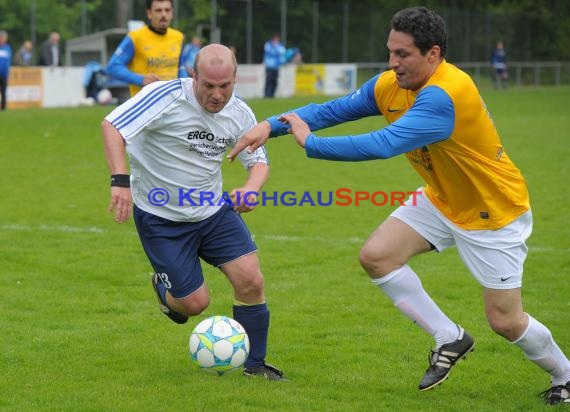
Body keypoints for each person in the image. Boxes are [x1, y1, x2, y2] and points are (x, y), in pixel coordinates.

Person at [228, 6, 570, 404]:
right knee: (377, 256)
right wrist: (270, 126)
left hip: (491, 212)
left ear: (433, 53)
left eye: (402, 54)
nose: (392, 63)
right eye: (390, 52)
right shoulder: (390, 84)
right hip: (442, 197)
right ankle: (450, 336)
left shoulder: (445, 94)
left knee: (505, 320)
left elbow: (384, 143)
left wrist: (312, 144)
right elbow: (330, 110)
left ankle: (565, 375)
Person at [102, 44, 285, 381]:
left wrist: (251, 188)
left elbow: (258, 161)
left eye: (225, 86)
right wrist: (120, 181)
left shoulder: (240, 113)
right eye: (209, 86)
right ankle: (164, 289)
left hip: (213, 212)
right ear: (193, 75)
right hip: (161, 219)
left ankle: (255, 365)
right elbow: (112, 126)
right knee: (193, 305)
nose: (217, 95)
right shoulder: (164, 96)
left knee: (251, 279)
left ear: (234, 79)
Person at [106, 0, 185, 97]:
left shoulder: (178, 37)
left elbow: (180, 67)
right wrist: (141, 79)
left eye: (167, 10)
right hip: (144, 105)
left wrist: (184, 88)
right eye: (158, 10)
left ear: (172, 13)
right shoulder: (135, 38)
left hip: (173, 102)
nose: (163, 14)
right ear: (149, 13)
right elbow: (113, 67)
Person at [263, 33, 285, 98]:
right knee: (268, 81)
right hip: (269, 66)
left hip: (276, 67)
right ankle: (267, 95)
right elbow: (270, 52)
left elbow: (282, 52)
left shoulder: (280, 46)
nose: (276, 40)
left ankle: (272, 95)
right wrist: (276, 50)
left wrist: (275, 50)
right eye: (275, 39)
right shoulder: (268, 44)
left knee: (275, 81)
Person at [0, 30, 12, 111]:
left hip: (3, 74)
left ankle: (3, 108)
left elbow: (8, 62)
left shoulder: (8, 48)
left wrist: (7, 74)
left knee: (3, 92)